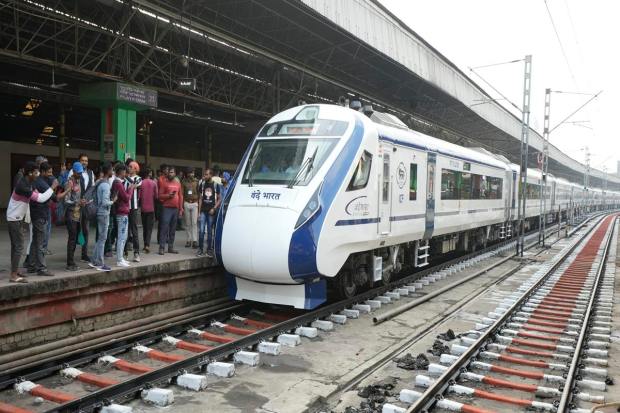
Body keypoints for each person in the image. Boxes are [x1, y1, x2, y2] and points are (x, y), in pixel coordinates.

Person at [7, 161, 55, 283]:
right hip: (14, 219)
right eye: (36, 171)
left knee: (15, 246)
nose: (38, 173)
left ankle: (15, 270)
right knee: (19, 247)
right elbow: (41, 198)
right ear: (30, 173)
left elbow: (37, 194)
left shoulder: (28, 182)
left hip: (17, 217)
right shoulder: (23, 185)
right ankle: (13, 275)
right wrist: (52, 187)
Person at [26, 162, 64, 276]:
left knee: (35, 241)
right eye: (49, 172)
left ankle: (31, 265)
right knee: (41, 242)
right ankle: (41, 268)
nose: (51, 175)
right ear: (42, 172)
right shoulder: (42, 183)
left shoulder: (38, 181)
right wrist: (54, 187)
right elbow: (55, 198)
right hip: (40, 215)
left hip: (36, 214)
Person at [69, 153, 95, 263]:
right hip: (75, 206)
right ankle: (71, 256)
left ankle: (84, 254)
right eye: (82, 160)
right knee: (74, 231)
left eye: (86, 161)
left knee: (86, 230)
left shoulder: (90, 173)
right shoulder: (73, 172)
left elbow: (92, 187)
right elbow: (70, 189)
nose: (85, 162)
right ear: (79, 161)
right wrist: (79, 200)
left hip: (86, 204)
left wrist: (87, 199)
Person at [89, 162, 115, 272]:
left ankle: (94, 260)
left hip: (99, 213)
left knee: (100, 238)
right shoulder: (105, 185)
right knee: (102, 239)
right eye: (112, 170)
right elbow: (104, 202)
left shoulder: (99, 182)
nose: (113, 172)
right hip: (103, 213)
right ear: (108, 171)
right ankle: (99, 262)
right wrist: (113, 201)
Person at [64, 162, 87, 271]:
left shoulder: (78, 181)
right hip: (71, 214)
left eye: (81, 173)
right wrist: (78, 202)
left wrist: (82, 201)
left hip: (78, 214)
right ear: (73, 171)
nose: (80, 175)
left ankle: (71, 261)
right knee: (72, 238)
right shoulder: (69, 182)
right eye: (78, 173)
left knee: (75, 237)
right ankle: (70, 263)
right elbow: (66, 200)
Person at [111, 164, 136, 267]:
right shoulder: (118, 183)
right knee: (121, 237)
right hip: (121, 212)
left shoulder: (118, 182)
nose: (126, 174)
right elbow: (126, 198)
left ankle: (121, 258)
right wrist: (131, 188)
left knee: (123, 237)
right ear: (121, 172)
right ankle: (119, 259)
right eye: (125, 171)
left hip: (122, 212)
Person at [158, 166, 183, 255]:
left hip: (175, 209)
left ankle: (170, 247)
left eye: (172, 172)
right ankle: (161, 247)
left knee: (172, 229)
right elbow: (160, 195)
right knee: (164, 228)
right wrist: (168, 196)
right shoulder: (164, 183)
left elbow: (180, 196)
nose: (170, 174)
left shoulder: (178, 183)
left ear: (175, 174)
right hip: (166, 208)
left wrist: (181, 209)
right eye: (169, 172)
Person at [197, 168, 220, 258]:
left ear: (211, 175)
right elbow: (200, 199)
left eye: (206, 174)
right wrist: (199, 213)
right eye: (205, 174)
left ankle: (209, 250)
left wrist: (214, 208)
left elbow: (219, 199)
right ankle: (200, 249)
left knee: (210, 232)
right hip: (203, 211)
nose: (205, 176)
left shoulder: (215, 185)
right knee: (201, 231)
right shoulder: (202, 184)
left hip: (211, 212)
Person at [124, 161, 142, 262]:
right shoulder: (126, 179)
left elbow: (135, 185)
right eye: (128, 167)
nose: (129, 168)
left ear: (135, 169)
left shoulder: (138, 178)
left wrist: (126, 177)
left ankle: (136, 253)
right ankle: (125, 253)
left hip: (134, 208)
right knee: (125, 231)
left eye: (131, 167)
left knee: (134, 230)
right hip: (126, 207)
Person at [139, 167, 158, 253]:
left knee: (144, 227)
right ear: (149, 174)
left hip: (143, 209)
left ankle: (144, 245)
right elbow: (156, 196)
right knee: (149, 228)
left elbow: (139, 196)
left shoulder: (141, 183)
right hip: (151, 208)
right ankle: (147, 245)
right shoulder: (154, 183)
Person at [182, 167, 199, 248]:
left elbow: (200, 193)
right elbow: (182, 194)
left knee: (194, 223)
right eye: (190, 173)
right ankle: (188, 240)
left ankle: (195, 240)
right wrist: (182, 205)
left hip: (195, 203)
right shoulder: (183, 182)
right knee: (188, 223)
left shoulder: (197, 182)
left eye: (192, 173)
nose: (191, 174)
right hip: (186, 203)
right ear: (187, 174)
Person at [156, 164, 168, 245]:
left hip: (167, 202)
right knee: (161, 222)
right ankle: (159, 238)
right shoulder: (159, 179)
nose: (167, 171)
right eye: (166, 169)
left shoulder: (168, 179)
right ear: (163, 170)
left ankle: (165, 237)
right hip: (160, 202)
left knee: (166, 221)